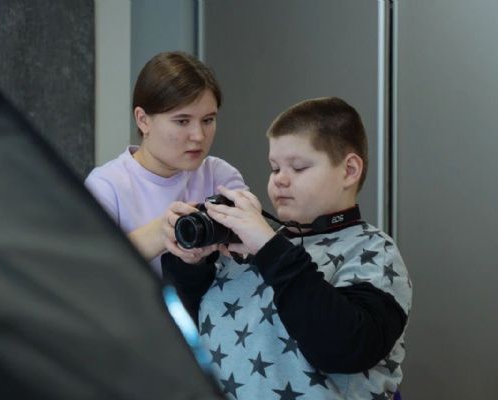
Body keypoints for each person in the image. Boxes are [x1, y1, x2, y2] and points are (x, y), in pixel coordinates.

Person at [162, 97, 412, 399]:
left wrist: (270, 249)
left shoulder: (372, 251)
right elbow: (189, 336)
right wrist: (190, 266)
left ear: (349, 170)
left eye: (298, 167)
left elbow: (344, 349)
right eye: (274, 168)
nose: (280, 180)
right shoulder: (249, 246)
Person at [84, 51, 247, 275]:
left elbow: (251, 262)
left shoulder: (220, 176)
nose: (199, 135)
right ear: (143, 120)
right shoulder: (106, 186)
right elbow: (86, 271)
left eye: (208, 120)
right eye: (182, 121)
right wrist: (162, 233)